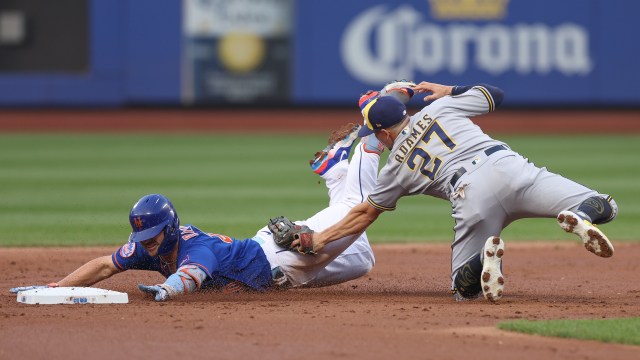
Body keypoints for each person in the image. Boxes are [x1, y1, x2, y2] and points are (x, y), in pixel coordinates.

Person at [295, 81, 618, 303]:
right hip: (510, 167)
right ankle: (580, 215)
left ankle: (480, 263)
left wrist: (320, 239)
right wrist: (447, 89)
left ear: (381, 133)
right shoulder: (438, 109)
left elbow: (365, 213)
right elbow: (494, 94)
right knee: (604, 205)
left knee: (465, 292)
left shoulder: (395, 168)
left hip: (471, 195)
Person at [9, 121, 387, 301]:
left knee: (353, 209)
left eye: (152, 237)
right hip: (280, 264)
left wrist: (166, 288)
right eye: (142, 238)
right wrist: (57, 285)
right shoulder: (148, 245)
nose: (147, 245)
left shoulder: (194, 248)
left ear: (169, 230)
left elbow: (191, 275)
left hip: (288, 258)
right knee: (363, 261)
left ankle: (369, 141)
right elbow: (106, 264)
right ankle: (337, 171)